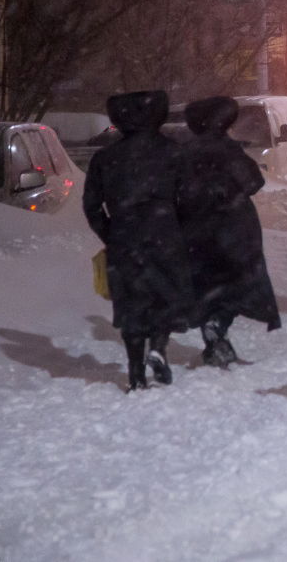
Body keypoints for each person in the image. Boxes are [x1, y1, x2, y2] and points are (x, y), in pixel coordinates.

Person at [83, 90, 195, 392]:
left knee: (132, 304)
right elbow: (190, 198)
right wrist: (180, 229)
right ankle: (157, 347)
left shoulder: (105, 158)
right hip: (165, 234)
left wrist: (110, 232)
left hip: (124, 236)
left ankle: (135, 373)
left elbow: (91, 205)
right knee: (164, 296)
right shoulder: (174, 152)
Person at [178, 96, 282, 367]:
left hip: (195, 228)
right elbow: (253, 182)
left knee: (206, 285)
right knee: (237, 284)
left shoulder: (184, 152)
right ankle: (218, 325)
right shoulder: (227, 150)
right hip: (233, 228)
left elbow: (175, 190)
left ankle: (213, 339)